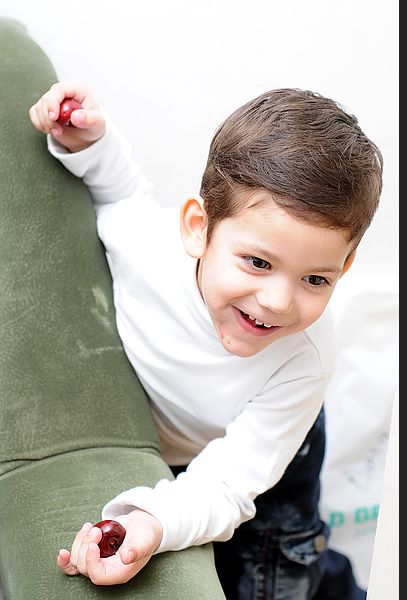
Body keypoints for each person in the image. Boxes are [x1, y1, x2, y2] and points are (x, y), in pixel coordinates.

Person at [29, 83, 383, 599]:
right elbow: (117, 190)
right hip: (186, 437)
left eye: (316, 279)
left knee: (281, 568)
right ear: (197, 228)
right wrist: (87, 140)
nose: (279, 302)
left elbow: (227, 483)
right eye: (258, 263)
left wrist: (152, 521)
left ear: (344, 268)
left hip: (275, 443)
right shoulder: (147, 248)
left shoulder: (304, 359)